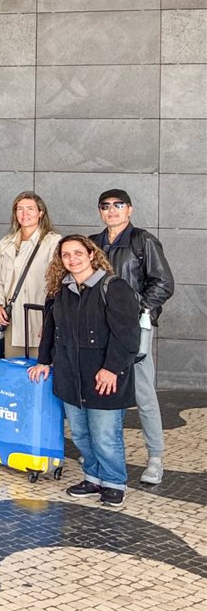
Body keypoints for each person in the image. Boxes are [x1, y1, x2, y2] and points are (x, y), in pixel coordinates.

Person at [29, 235, 140, 508]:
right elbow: (50, 330)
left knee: (105, 434)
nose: (72, 259)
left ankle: (114, 482)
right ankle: (93, 477)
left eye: (78, 253)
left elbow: (127, 336)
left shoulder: (113, 287)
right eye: (66, 255)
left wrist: (112, 369)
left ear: (91, 254)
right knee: (79, 433)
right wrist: (44, 360)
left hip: (104, 376)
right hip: (70, 375)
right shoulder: (59, 291)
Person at [90, 189, 176, 485]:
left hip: (135, 326)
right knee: (102, 388)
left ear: (130, 209)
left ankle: (155, 457)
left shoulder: (142, 240)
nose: (112, 210)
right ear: (100, 211)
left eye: (118, 205)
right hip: (100, 328)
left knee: (143, 392)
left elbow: (163, 283)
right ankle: (104, 455)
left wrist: (134, 308)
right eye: (106, 206)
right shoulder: (93, 243)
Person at [0, 191, 62, 358]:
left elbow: (57, 283)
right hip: (12, 317)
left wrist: (51, 321)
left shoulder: (53, 241)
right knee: (13, 371)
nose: (24, 213)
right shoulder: (6, 242)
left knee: (40, 372)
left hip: (39, 316)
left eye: (30, 209)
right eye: (19, 209)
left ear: (41, 212)